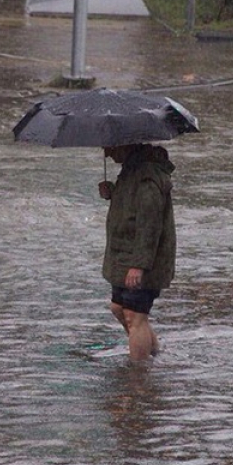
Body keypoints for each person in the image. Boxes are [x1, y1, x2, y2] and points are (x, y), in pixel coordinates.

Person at [98, 143, 176, 362]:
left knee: (134, 315)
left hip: (141, 259)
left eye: (111, 147)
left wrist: (139, 265)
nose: (107, 152)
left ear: (126, 144)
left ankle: (138, 375)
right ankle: (154, 356)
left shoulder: (147, 178)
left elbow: (149, 225)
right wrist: (112, 193)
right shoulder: (131, 171)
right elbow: (133, 208)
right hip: (124, 256)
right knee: (119, 308)